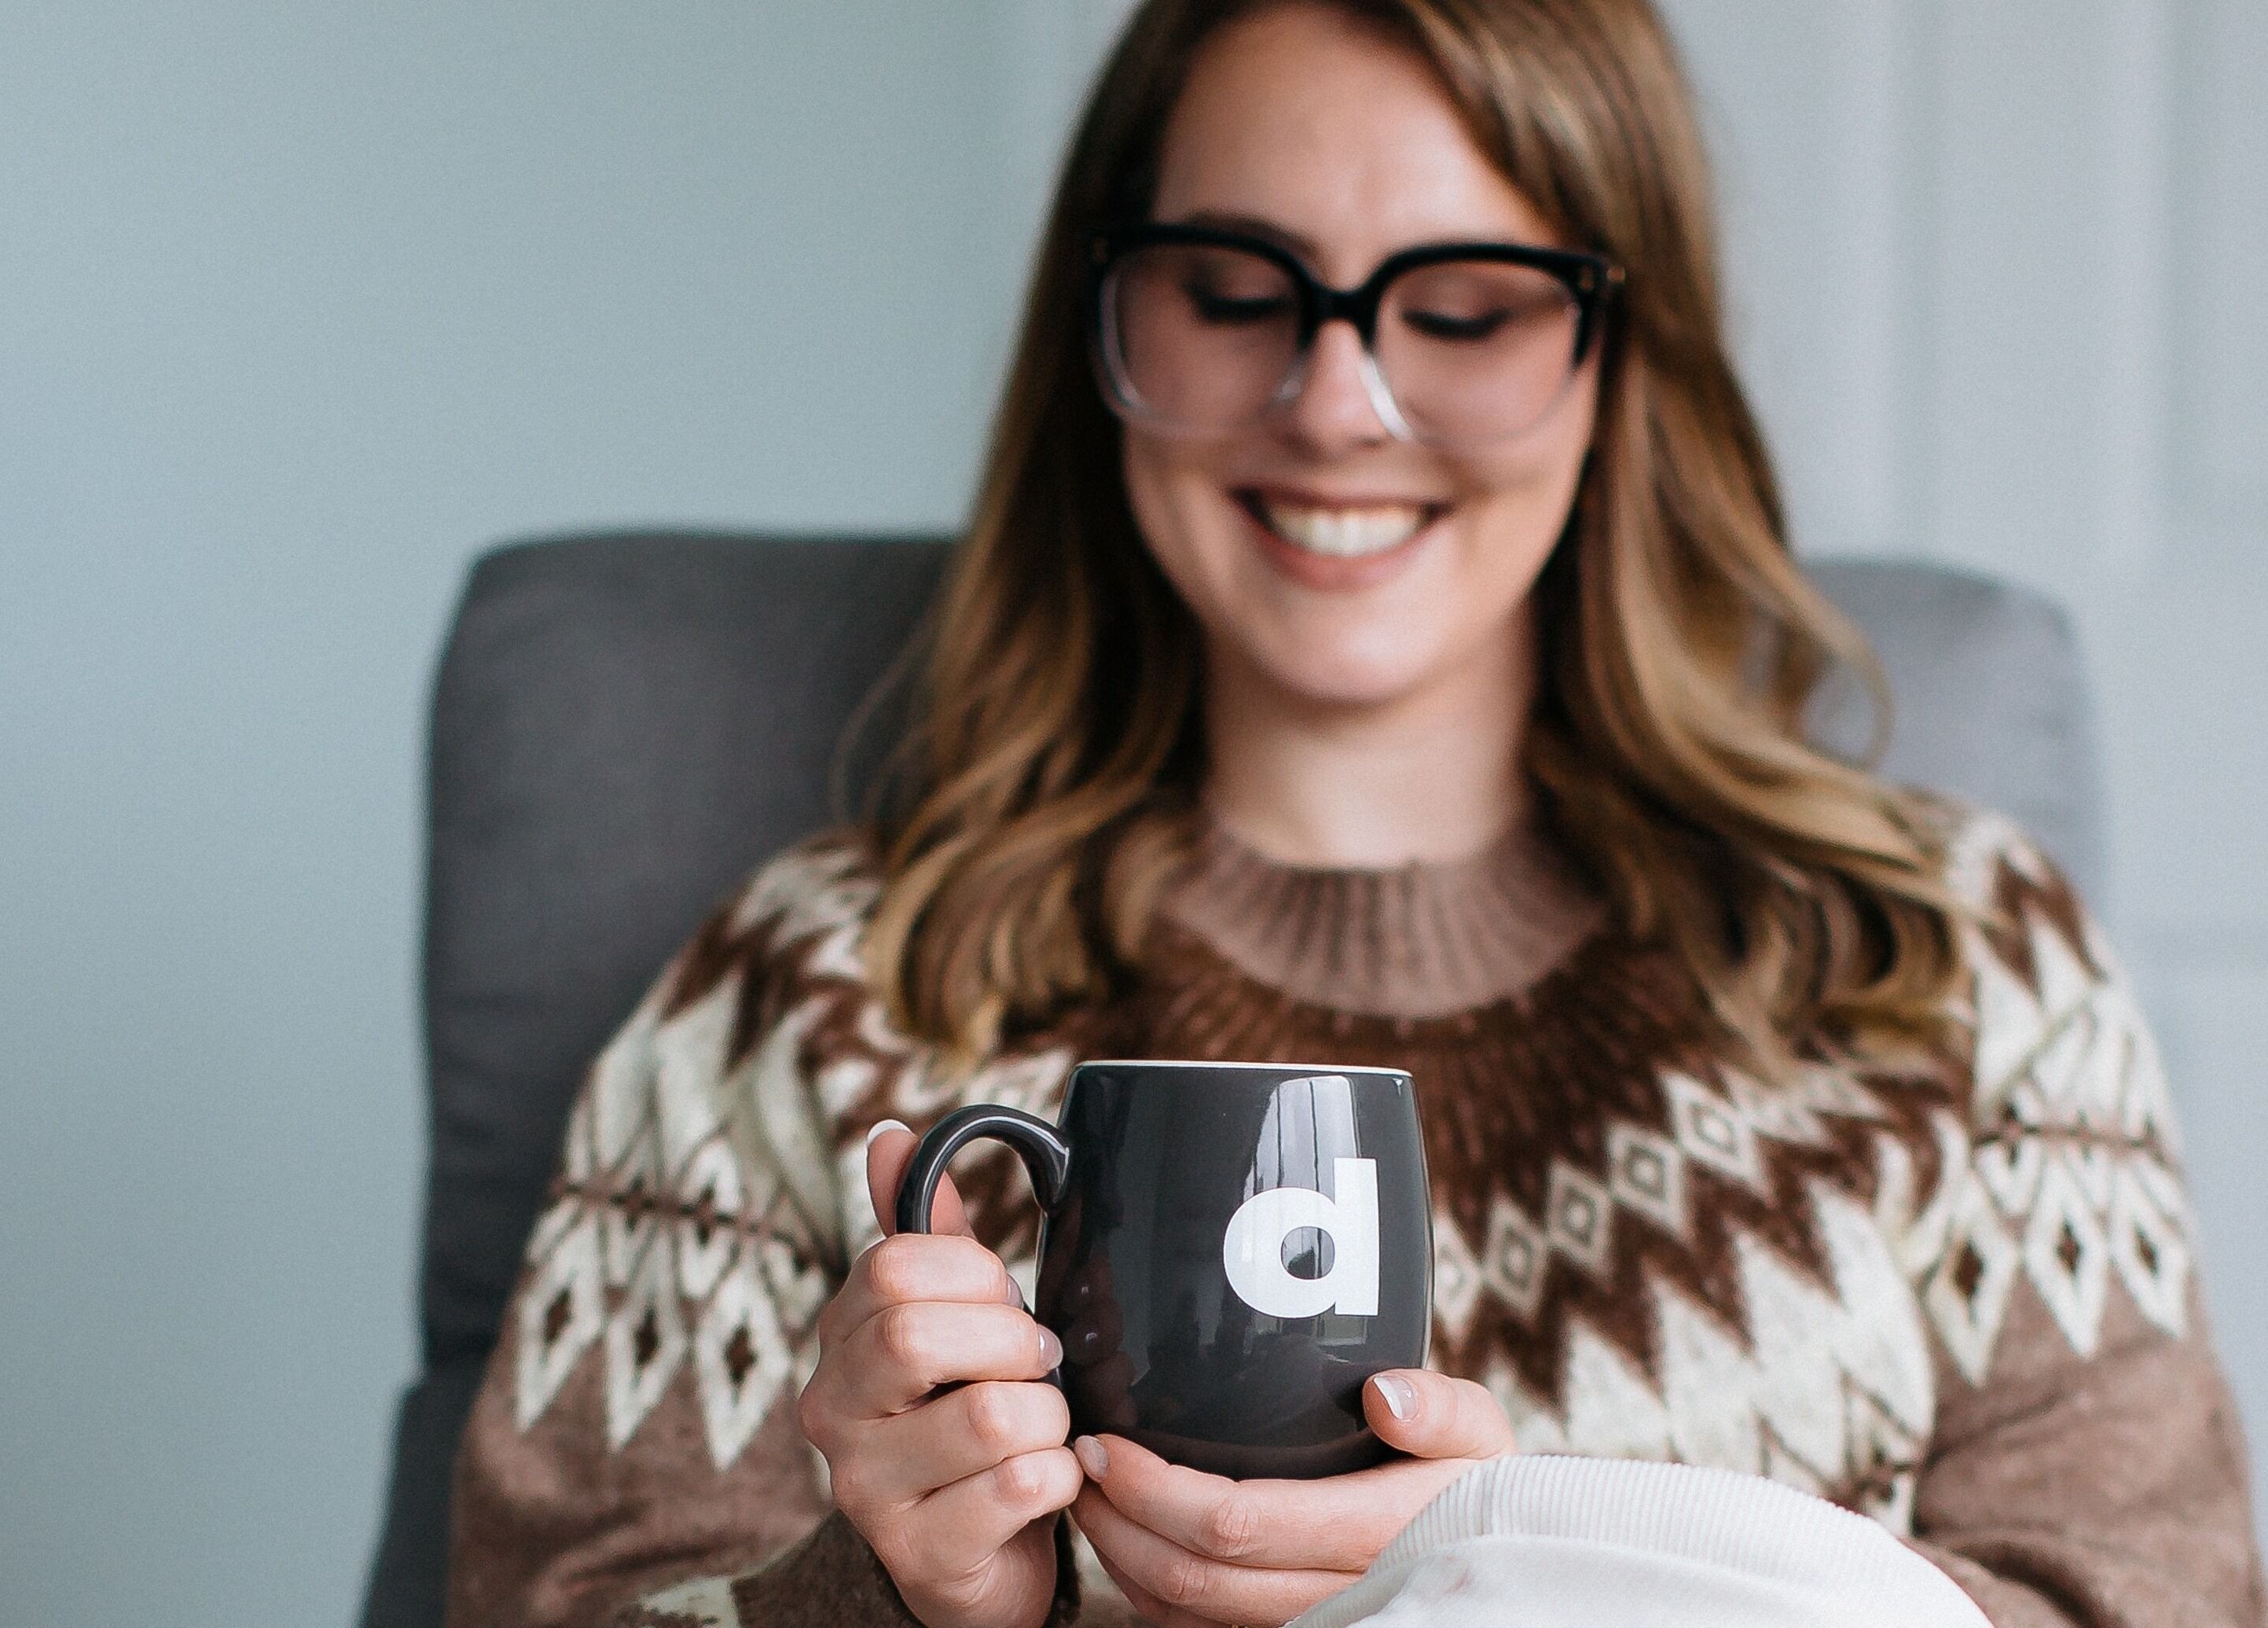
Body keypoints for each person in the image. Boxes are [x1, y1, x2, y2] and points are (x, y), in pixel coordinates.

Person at [442, 2, 2265, 1625]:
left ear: (1624, 357)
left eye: (1462, 309)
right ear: (1105, 328)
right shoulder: (809, 999)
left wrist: (1564, 1574)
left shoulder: (1951, 971)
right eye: (1234, 295)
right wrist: (887, 1607)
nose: (1337, 404)